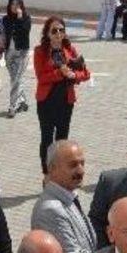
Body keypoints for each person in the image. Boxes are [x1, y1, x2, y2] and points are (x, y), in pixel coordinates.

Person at [33, 16, 90, 175]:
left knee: (62, 139)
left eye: (61, 30)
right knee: (47, 139)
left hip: (66, 101)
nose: (58, 34)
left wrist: (74, 75)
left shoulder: (70, 50)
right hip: (46, 101)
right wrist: (60, 72)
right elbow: (41, 77)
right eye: (54, 31)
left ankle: (59, 173)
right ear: (48, 33)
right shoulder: (40, 51)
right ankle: (47, 174)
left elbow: (86, 73)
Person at [31, 140, 95, 253]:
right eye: (73, 165)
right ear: (52, 169)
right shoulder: (50, 211)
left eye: (82, 163)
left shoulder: (69, 197)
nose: (81, 171)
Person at [2, 0, 31, 118]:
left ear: (21, 6)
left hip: (21, 53)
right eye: (12, 4)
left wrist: (19, 17)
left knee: (15, 81)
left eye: (17, 5)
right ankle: (23, 101)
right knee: (15, 80)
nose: (15, 7)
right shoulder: (5, 19)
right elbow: (2, 35)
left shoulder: (26, 18)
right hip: (9, 53)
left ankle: (12, 106)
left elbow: (24, 32)